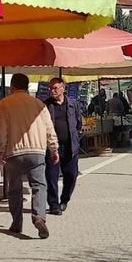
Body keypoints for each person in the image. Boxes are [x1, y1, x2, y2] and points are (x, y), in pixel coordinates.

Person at [0, 74, 57, 239]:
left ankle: (16, 223)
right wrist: (54, 149)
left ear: (12, 86)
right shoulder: (39, 104)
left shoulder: (4, 104)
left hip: (14, 153)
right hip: (37, 152)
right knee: (39, 186)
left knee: (14, 190)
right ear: (27, 87)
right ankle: (39, 217)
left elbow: (1, 131)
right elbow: (49, 129)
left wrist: (0, 151)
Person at [44, 78, 82, 215]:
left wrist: (75, 137)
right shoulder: (46, 105)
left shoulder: (73, 104)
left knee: (71, 175)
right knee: (51, 176)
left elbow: (78, 123)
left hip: (70, 145)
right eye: (50, 88)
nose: (51, 90)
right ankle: (54, 205)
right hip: (52, 146)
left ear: (63, 88)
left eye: (54, 88)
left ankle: (65, 199)